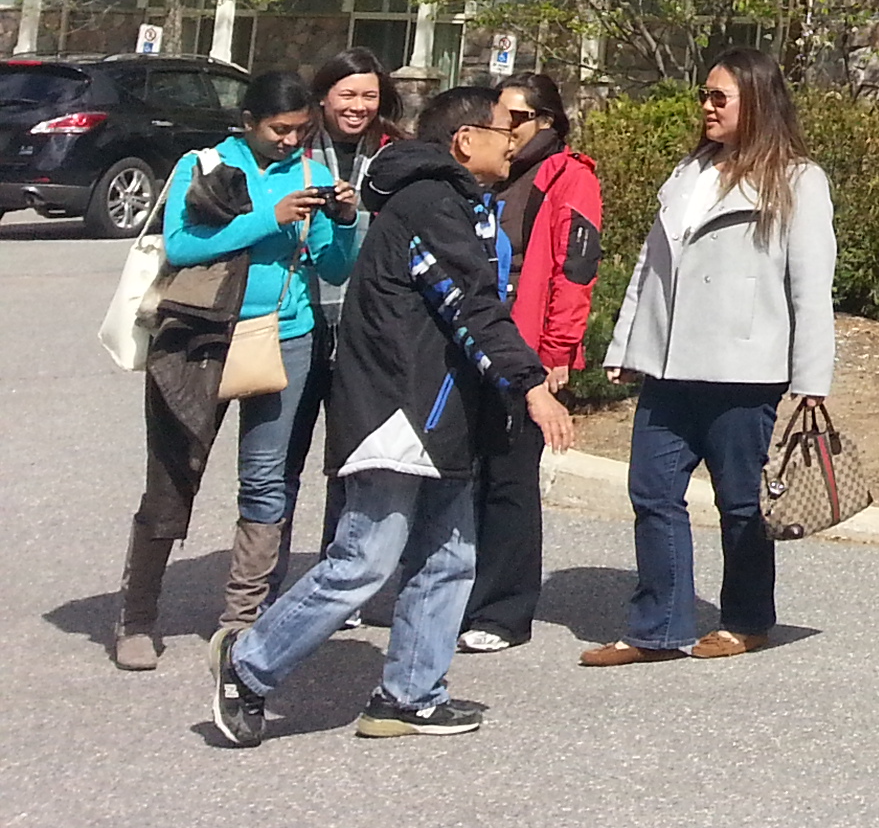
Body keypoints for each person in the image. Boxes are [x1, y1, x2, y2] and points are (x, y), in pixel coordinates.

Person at [209, 86, 576, 745]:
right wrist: (529, 384)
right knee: (365, 559)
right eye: (505, 128)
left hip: (444, 413)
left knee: (449, 558)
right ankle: (248, 664)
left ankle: (409, 696)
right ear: (465, 140)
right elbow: (468, 303)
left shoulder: (455, 200)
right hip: (399, 411)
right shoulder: (430, 202)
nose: (514, 139)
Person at [581, 47, 835, 667]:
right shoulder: (689, 172)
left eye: (720, 97)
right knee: (651, 491)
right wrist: (627, 344)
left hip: (744, 370)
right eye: (704, 95)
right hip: (669, 366)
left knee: (741, 503)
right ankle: (657, 627)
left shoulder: (798, 180)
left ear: (758, 102)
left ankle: (747, 620)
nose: (707, 107)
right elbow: (650, 267)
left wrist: (812, 379)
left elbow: (811, 285)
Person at [112, 69, 354, 671]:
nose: (290, 141)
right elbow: (184, 245)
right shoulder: (206, 164)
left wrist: (345, 220)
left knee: (266, 480)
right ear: (248, 122)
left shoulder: (311, 174)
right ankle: (137, 618)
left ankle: (243, 622)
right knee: (174, 473)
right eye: (279, 130)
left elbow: (334, 267)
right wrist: (271, 216)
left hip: (285, 336)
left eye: (301, 131)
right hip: (198, 336)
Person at [459, 70, 603, 652]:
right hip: (478, 338)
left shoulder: (569, 178)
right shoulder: (491, 172)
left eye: (516, 118)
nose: (505, 127)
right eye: (499, 116)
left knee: (510, 477)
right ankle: (456, 594)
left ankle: (503, 611)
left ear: (546, 121)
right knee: (467, 473)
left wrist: (559, 350)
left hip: (527, 344)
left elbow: (576, 268)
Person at [282, 48, 402, 552]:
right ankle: (266, 580)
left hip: (366, 320)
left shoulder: (395, 152)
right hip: (300, 317)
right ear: (323, 96)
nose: (358, 106)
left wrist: (357, 215)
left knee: (351, 458)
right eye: (347, 94)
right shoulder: (295, 148)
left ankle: (339, 570)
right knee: (282, 459)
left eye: (369, 95)